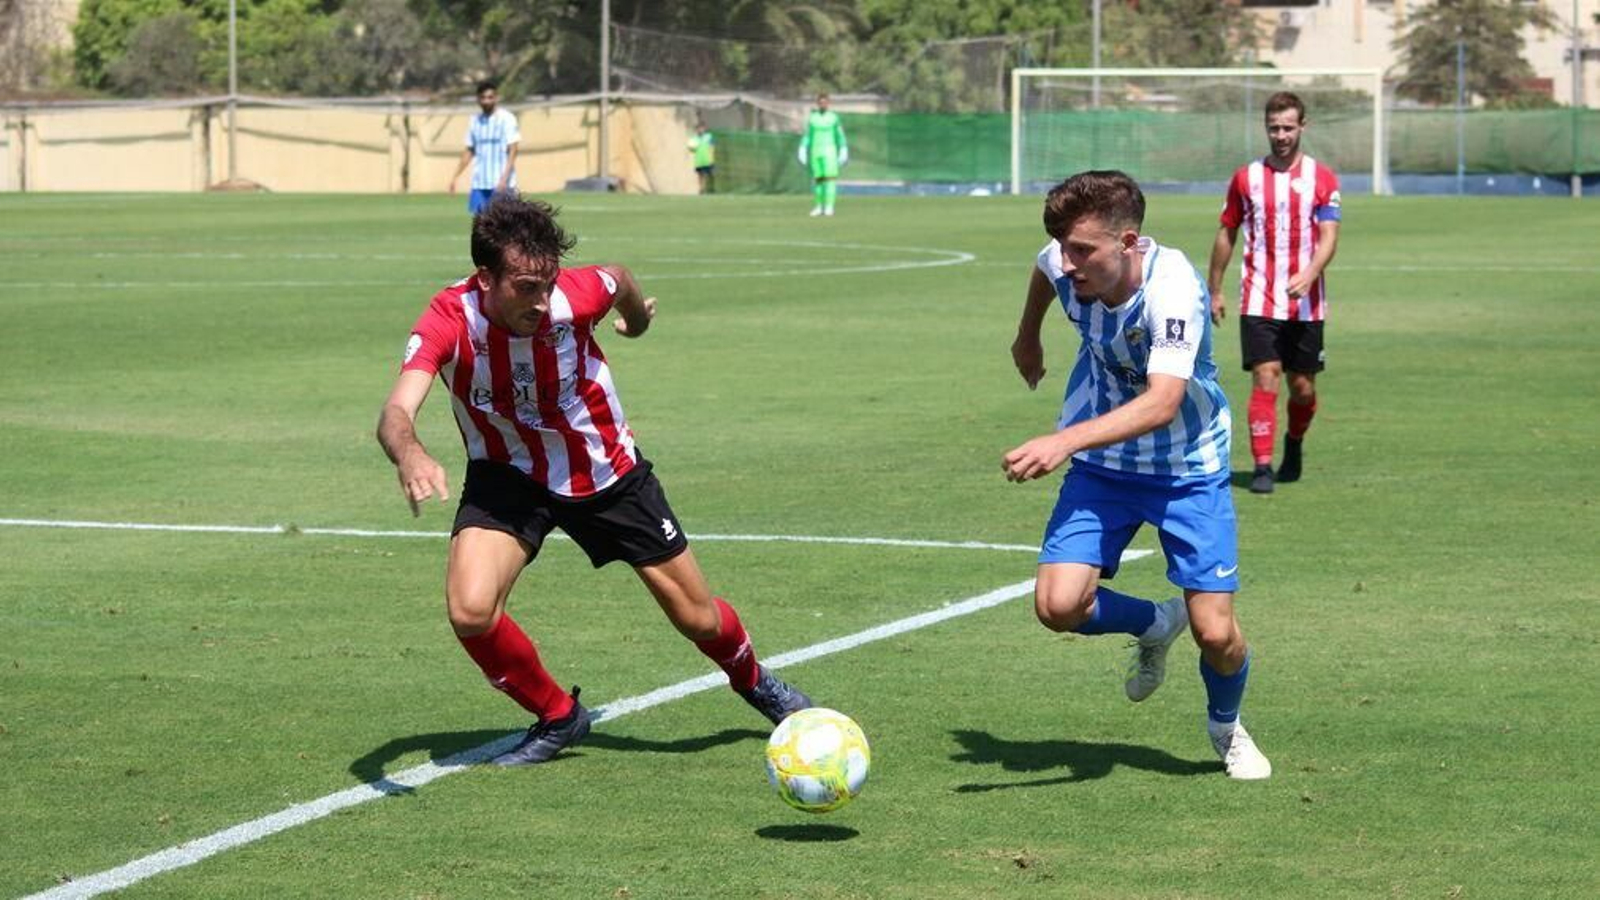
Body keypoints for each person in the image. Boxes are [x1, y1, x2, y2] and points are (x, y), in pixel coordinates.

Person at [376, 194, 813, 766]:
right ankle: (559, 715)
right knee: (471, 610)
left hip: (603, 466)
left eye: (547, 284)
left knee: (696, 617)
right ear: (485, 278)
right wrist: (410, 453)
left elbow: (620, 278)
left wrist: (638, 321)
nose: (541, 301)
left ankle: (755, 681)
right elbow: (396, 411)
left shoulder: (576, 294)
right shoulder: (449, 318)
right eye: (526, 287)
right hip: (508, 475)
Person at [1005, 170, 1271, 780]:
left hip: (1187, 466)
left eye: (1082, 251)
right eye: (1064, 247)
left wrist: (1062, 440)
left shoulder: (1172, 290)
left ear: (1129, 243)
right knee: (1057, 605)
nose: (1068, 262)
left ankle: (1226, 727)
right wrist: (1027, 337)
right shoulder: (1069, 260)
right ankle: (1155, 623)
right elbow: (1044, 269)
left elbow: (1162, 403)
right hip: (1105, 465)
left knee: (1216, 634)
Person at [1207, 91, 1341, 494]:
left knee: (1302, 388)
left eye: (1287, 127)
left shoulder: (1322, 178)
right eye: (1274, 128)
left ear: (1303, 126)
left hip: (1307, 303)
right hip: (1258, 296)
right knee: (1266, 377)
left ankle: (1294, 441)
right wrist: (1215, 289)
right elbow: (1227, 232)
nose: (1281, 135)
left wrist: (1310, 273)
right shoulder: (1245, 178)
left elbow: (1329, 236)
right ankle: (1262, 466)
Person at [448, 81, 521, 215]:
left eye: (490, 97)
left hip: (502, 183)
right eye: (483, 97)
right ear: (478, 99)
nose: (486, 101)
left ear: (496, 98)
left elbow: (513, 149)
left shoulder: (507, 118)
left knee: (505, 222)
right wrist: (455, 177)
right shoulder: (474, 121)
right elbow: (469, 150)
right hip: (479, 183)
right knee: (480, 223)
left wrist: (504, 179)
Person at [797, 93, 847, 217]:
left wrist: (843, 148)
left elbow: (839, 134)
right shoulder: (813, 118)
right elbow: (808, 135)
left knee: (829, 179)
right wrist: (803, 147)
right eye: (820, 102)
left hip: (830, 151)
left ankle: (829, 207)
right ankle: (819, 207)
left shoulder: (834, 117)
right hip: (816, 151)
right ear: (817, 103)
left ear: (828, 103)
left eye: (825, 102)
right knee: (818, 180)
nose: (823, 104)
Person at [686, 119, 716, 194]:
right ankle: (701, 189)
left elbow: (712, 146)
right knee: (701, 175)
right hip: (699, 161)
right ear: (696, 130)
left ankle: (711, 188)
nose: (700, 130)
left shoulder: (709, 137)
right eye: (698, 129)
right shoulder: (694, 139)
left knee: (711, 174)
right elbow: (692, 150)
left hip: (708, 160)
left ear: (704, 129)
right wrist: (691, 148)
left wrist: (712, 157)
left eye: (701, 128)